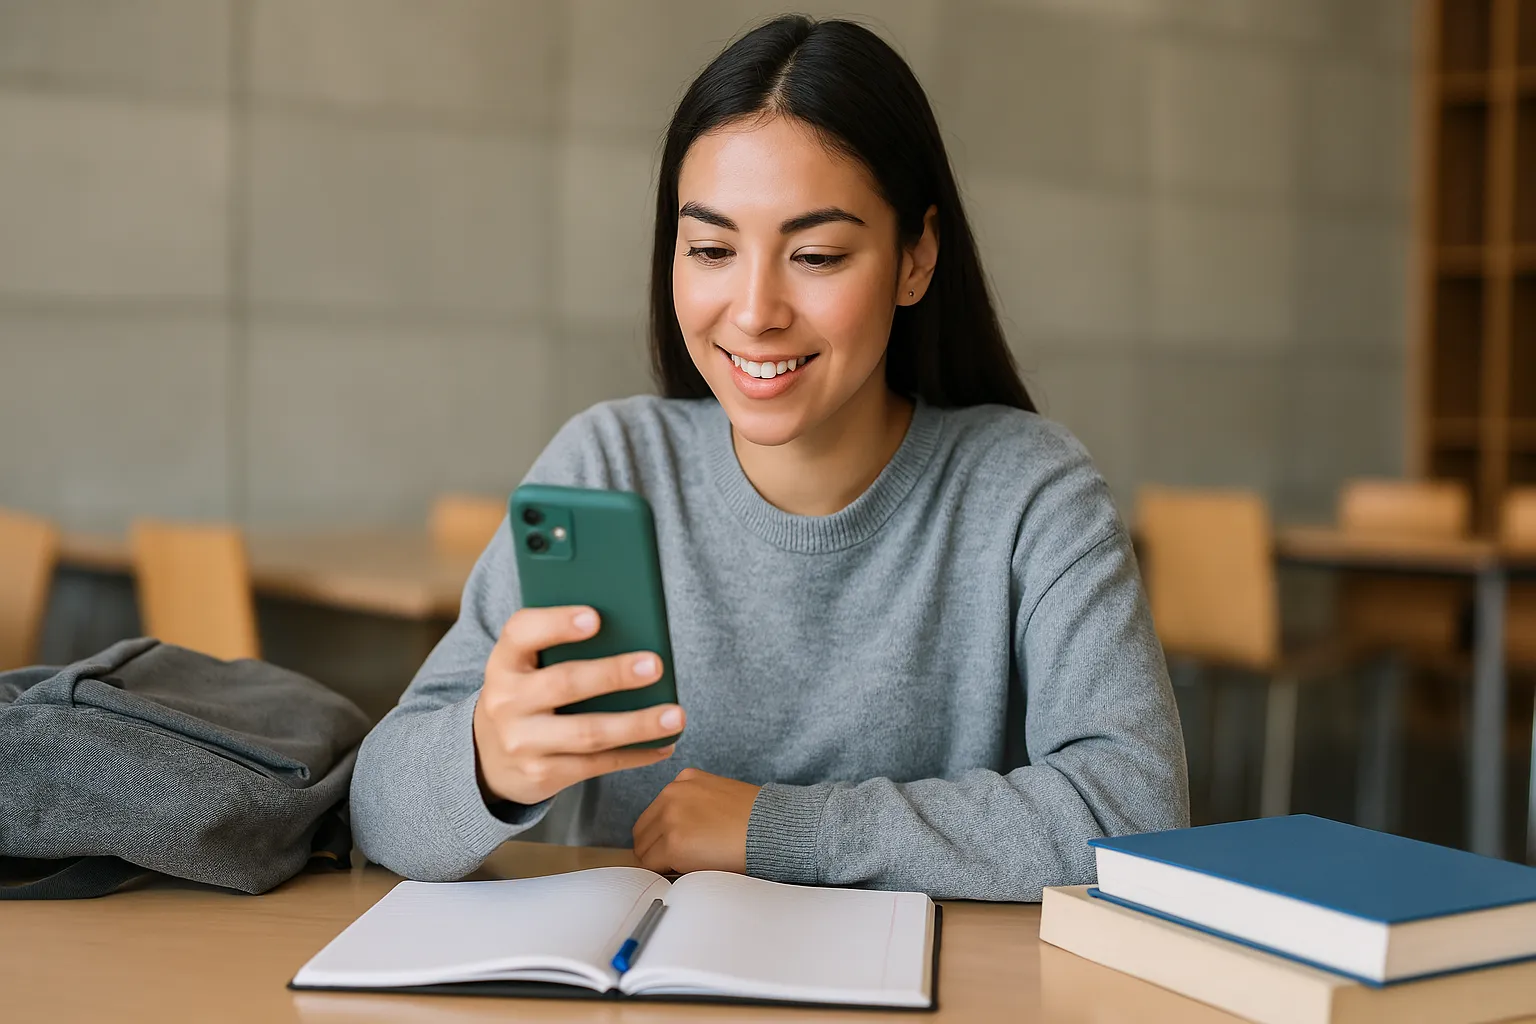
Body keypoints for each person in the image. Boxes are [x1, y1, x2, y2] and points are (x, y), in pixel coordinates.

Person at [351, 15, 1188, 901]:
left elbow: (1135, 812)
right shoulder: (610, 463)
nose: (754, 311)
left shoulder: (1031, 490)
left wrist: (778, 829)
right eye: (712, 249)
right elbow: (379, 807)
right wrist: (488, 760)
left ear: (916, 259)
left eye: (816, 255)